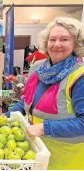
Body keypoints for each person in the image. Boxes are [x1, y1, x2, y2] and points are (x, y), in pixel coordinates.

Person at [6, 17, 84, 169]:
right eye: (52, 39)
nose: (57, 44)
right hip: (35, 150)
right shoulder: (38, 68)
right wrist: (6, 117)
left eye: (65, 39)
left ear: (76, 43)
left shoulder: (79, 76)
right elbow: (28, 101)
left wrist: (43, 128)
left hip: (66, 158)